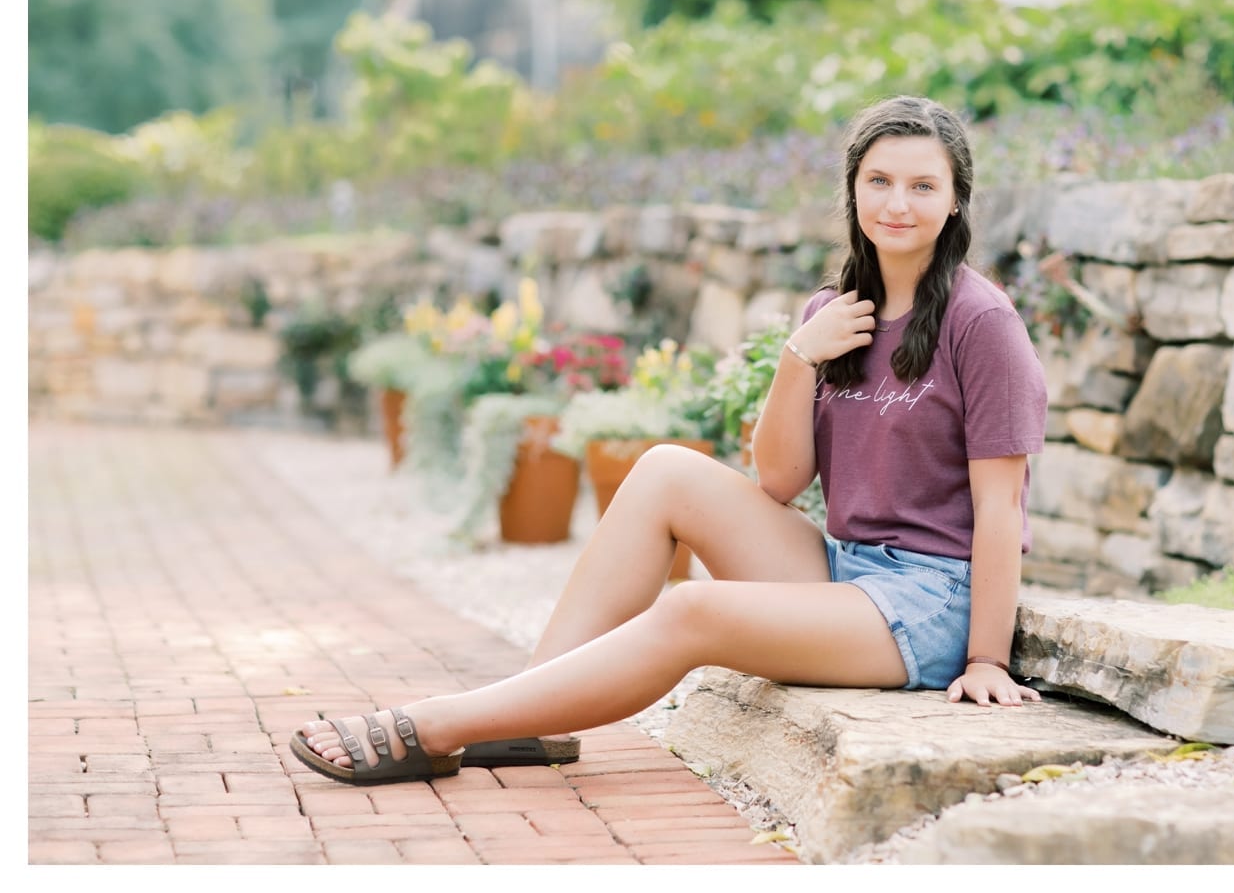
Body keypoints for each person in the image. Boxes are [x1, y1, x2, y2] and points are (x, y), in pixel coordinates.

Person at [292, 94, 1047, 785]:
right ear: (853, 190)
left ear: (954, 203)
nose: (898, 203)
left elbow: (1002, 508)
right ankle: (531, 715)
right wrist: (800, 355)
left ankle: (438, 726)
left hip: (930, 600)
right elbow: (780, 481)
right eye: (880, 181)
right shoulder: (834, 310)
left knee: (694, 611)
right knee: (662, 471)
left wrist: (985, 657)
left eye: (923, 186)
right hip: (847, 569)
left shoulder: (980, 323)